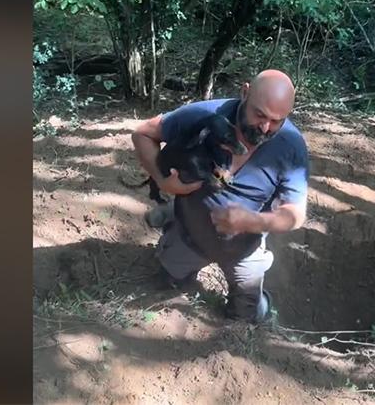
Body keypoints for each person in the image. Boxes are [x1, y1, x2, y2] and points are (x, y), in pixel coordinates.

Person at [130, 69, 309, 323]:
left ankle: (262, 305)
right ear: (245, 92)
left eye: (277, 121)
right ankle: (173, 217)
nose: (265, 128)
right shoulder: (205, 115)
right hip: (192, 235)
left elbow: (295, 215)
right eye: (259, 114)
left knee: (247, 317)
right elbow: (142, 134)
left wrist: (251, 222)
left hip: (244, 249)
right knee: (167, 284)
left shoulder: (291, 147)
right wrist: (163, 182)